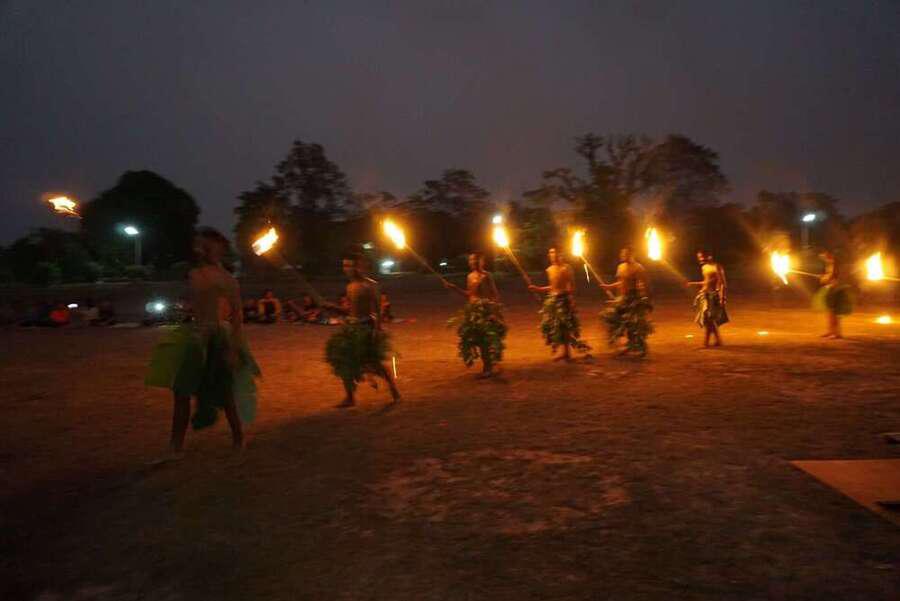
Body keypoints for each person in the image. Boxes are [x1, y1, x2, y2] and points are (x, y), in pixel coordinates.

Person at [145, 227, 260, 455]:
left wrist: (234, 347)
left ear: (219, 247)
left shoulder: (227, 279)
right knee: (181, 391)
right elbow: (190, 300)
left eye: (206, 244)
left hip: (217, 338)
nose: (201, 248)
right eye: (199, 243)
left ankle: (239, 438)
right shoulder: (193, 274)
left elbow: (237, 315)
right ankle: (175, 446)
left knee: (225, 393)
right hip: (194, 337)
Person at [325, 252, 400, 408]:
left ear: (359, 266)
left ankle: (393, 389)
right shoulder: (350, 286)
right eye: (345, 265)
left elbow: (378, 311)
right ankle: (350, 397)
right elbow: (350, 310)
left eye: (350, 265)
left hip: (366, 327)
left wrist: (376, 330)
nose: (347, 269)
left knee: (374, 363)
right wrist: (333, 308)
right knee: (344, 360)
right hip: (351, 328)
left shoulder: (370, 285)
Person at [445, 252, 507, 377]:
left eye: (475, 260)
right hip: (473, 311)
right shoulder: (469, 276)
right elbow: (470, 294)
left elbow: (494, 294)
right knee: (477, 339)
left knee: (486, 339)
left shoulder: (487, 276)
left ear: (482, 262)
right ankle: (488, 366)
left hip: (485, 310)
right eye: (471, 260)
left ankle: (489, 367)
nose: (473, 262)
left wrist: (494, 311)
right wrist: (454, 288)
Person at [528, 247, 590, 361]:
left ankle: (567, 352)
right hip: (553, 300)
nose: (553, 255)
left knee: (564, 325)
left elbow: (571, 285)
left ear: (560, 254)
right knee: (555, 327)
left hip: (563, 299)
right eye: (551, 253)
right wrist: (537, 288)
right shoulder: (549, 269)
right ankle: (563, 352)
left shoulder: (566, 268)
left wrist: (570, 298)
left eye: (555, 253)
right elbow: (552, 287)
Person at [600, 247, 653, 356]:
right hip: (623, 298)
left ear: (632, 254)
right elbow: (620, 283)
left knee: (634, 323)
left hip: (634, 298)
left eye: (625, 253)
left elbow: (644, 284)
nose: (622, 255)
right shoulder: (621, 267)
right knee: (613, 317)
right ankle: (626, 344)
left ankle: (642, 348)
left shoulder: (638, 268)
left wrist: (645, 298)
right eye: (622, 253)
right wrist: (609, 286)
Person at [686, 251, 728, 347]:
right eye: (699, 257)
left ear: (709, 256)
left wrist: (722, 298)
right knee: (708, 320)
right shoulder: (704, 267)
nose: (700, 259)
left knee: (709, 319)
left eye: (702, 257)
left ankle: (707, 342)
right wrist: (694, 283)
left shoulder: (717, 267)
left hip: (713, 295)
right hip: (704, 295)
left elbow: (723, 283)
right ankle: (717, 341)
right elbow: (706, 282)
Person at [814, 249, 852, 339]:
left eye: (824, 255)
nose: (822, 257)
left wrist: (824, 278)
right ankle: (831, 332)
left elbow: (832, 276)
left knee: (834, 313)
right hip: (831, 289)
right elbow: (829, 276)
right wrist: (823, 277)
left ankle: (836, 333)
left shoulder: (834, 264)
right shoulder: (830, 263)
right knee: (829, 312)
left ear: (828, 254)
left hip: (835, 290)